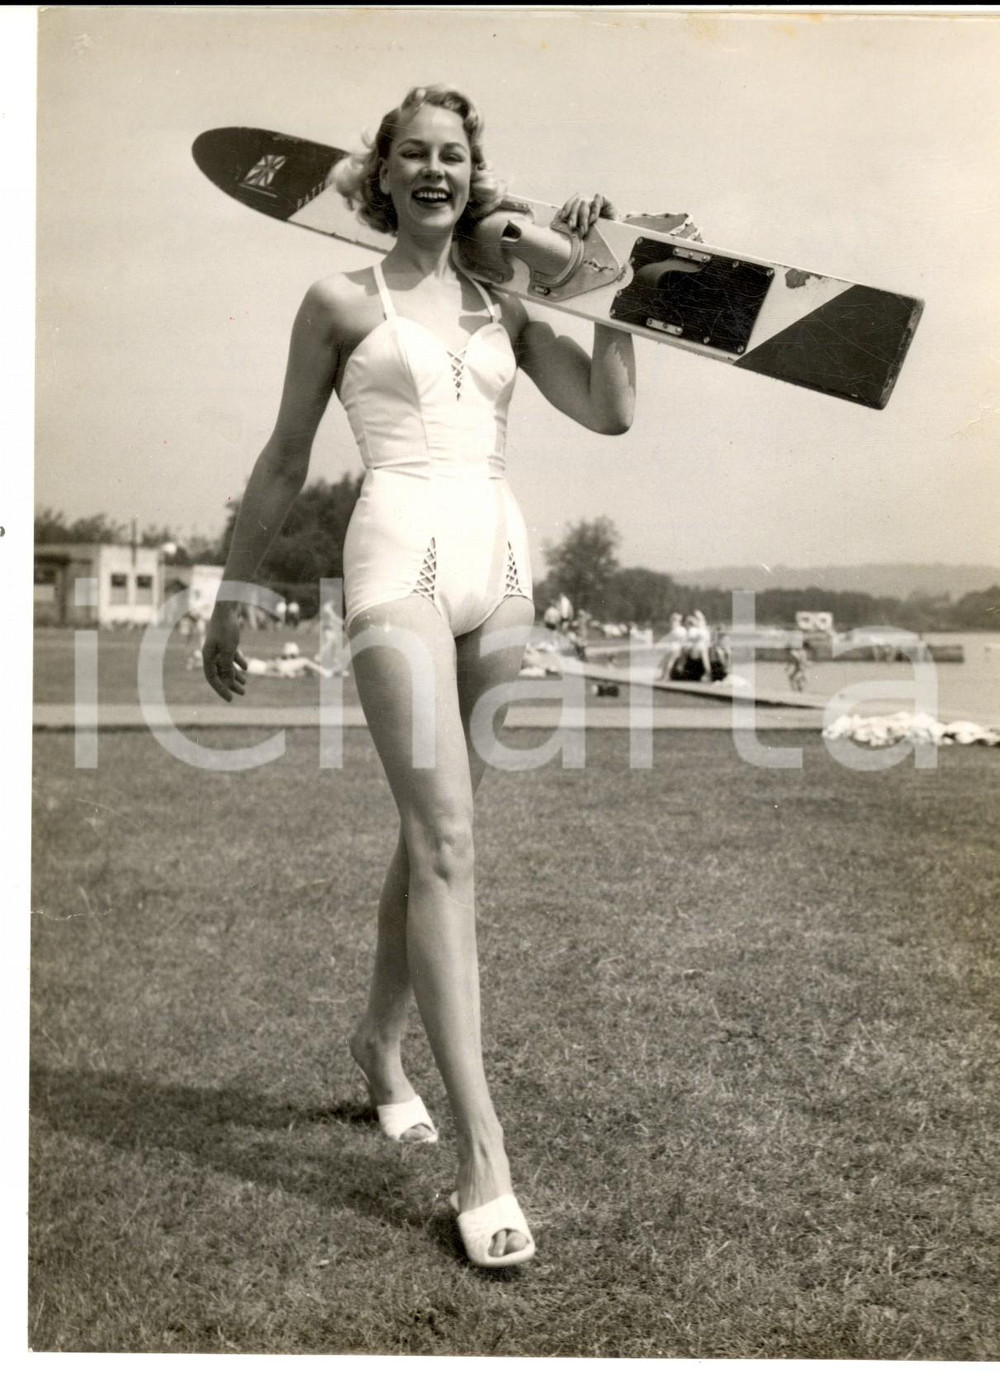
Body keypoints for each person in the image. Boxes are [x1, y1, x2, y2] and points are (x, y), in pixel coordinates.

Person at [201, 85, 635, 1270]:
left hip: (502, 571)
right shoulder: (338, 299)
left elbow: (610, 412)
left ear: (472, 174)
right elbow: (287, 455)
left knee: (431, 835)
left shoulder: (508, 301)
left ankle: (378, 1046)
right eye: (414, 154)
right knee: (445, 844)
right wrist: (234, 592)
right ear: (380, 173)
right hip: (394, 561)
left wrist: (608, 294)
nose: (435, 170)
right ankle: (483, 1155)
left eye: (455, 155)